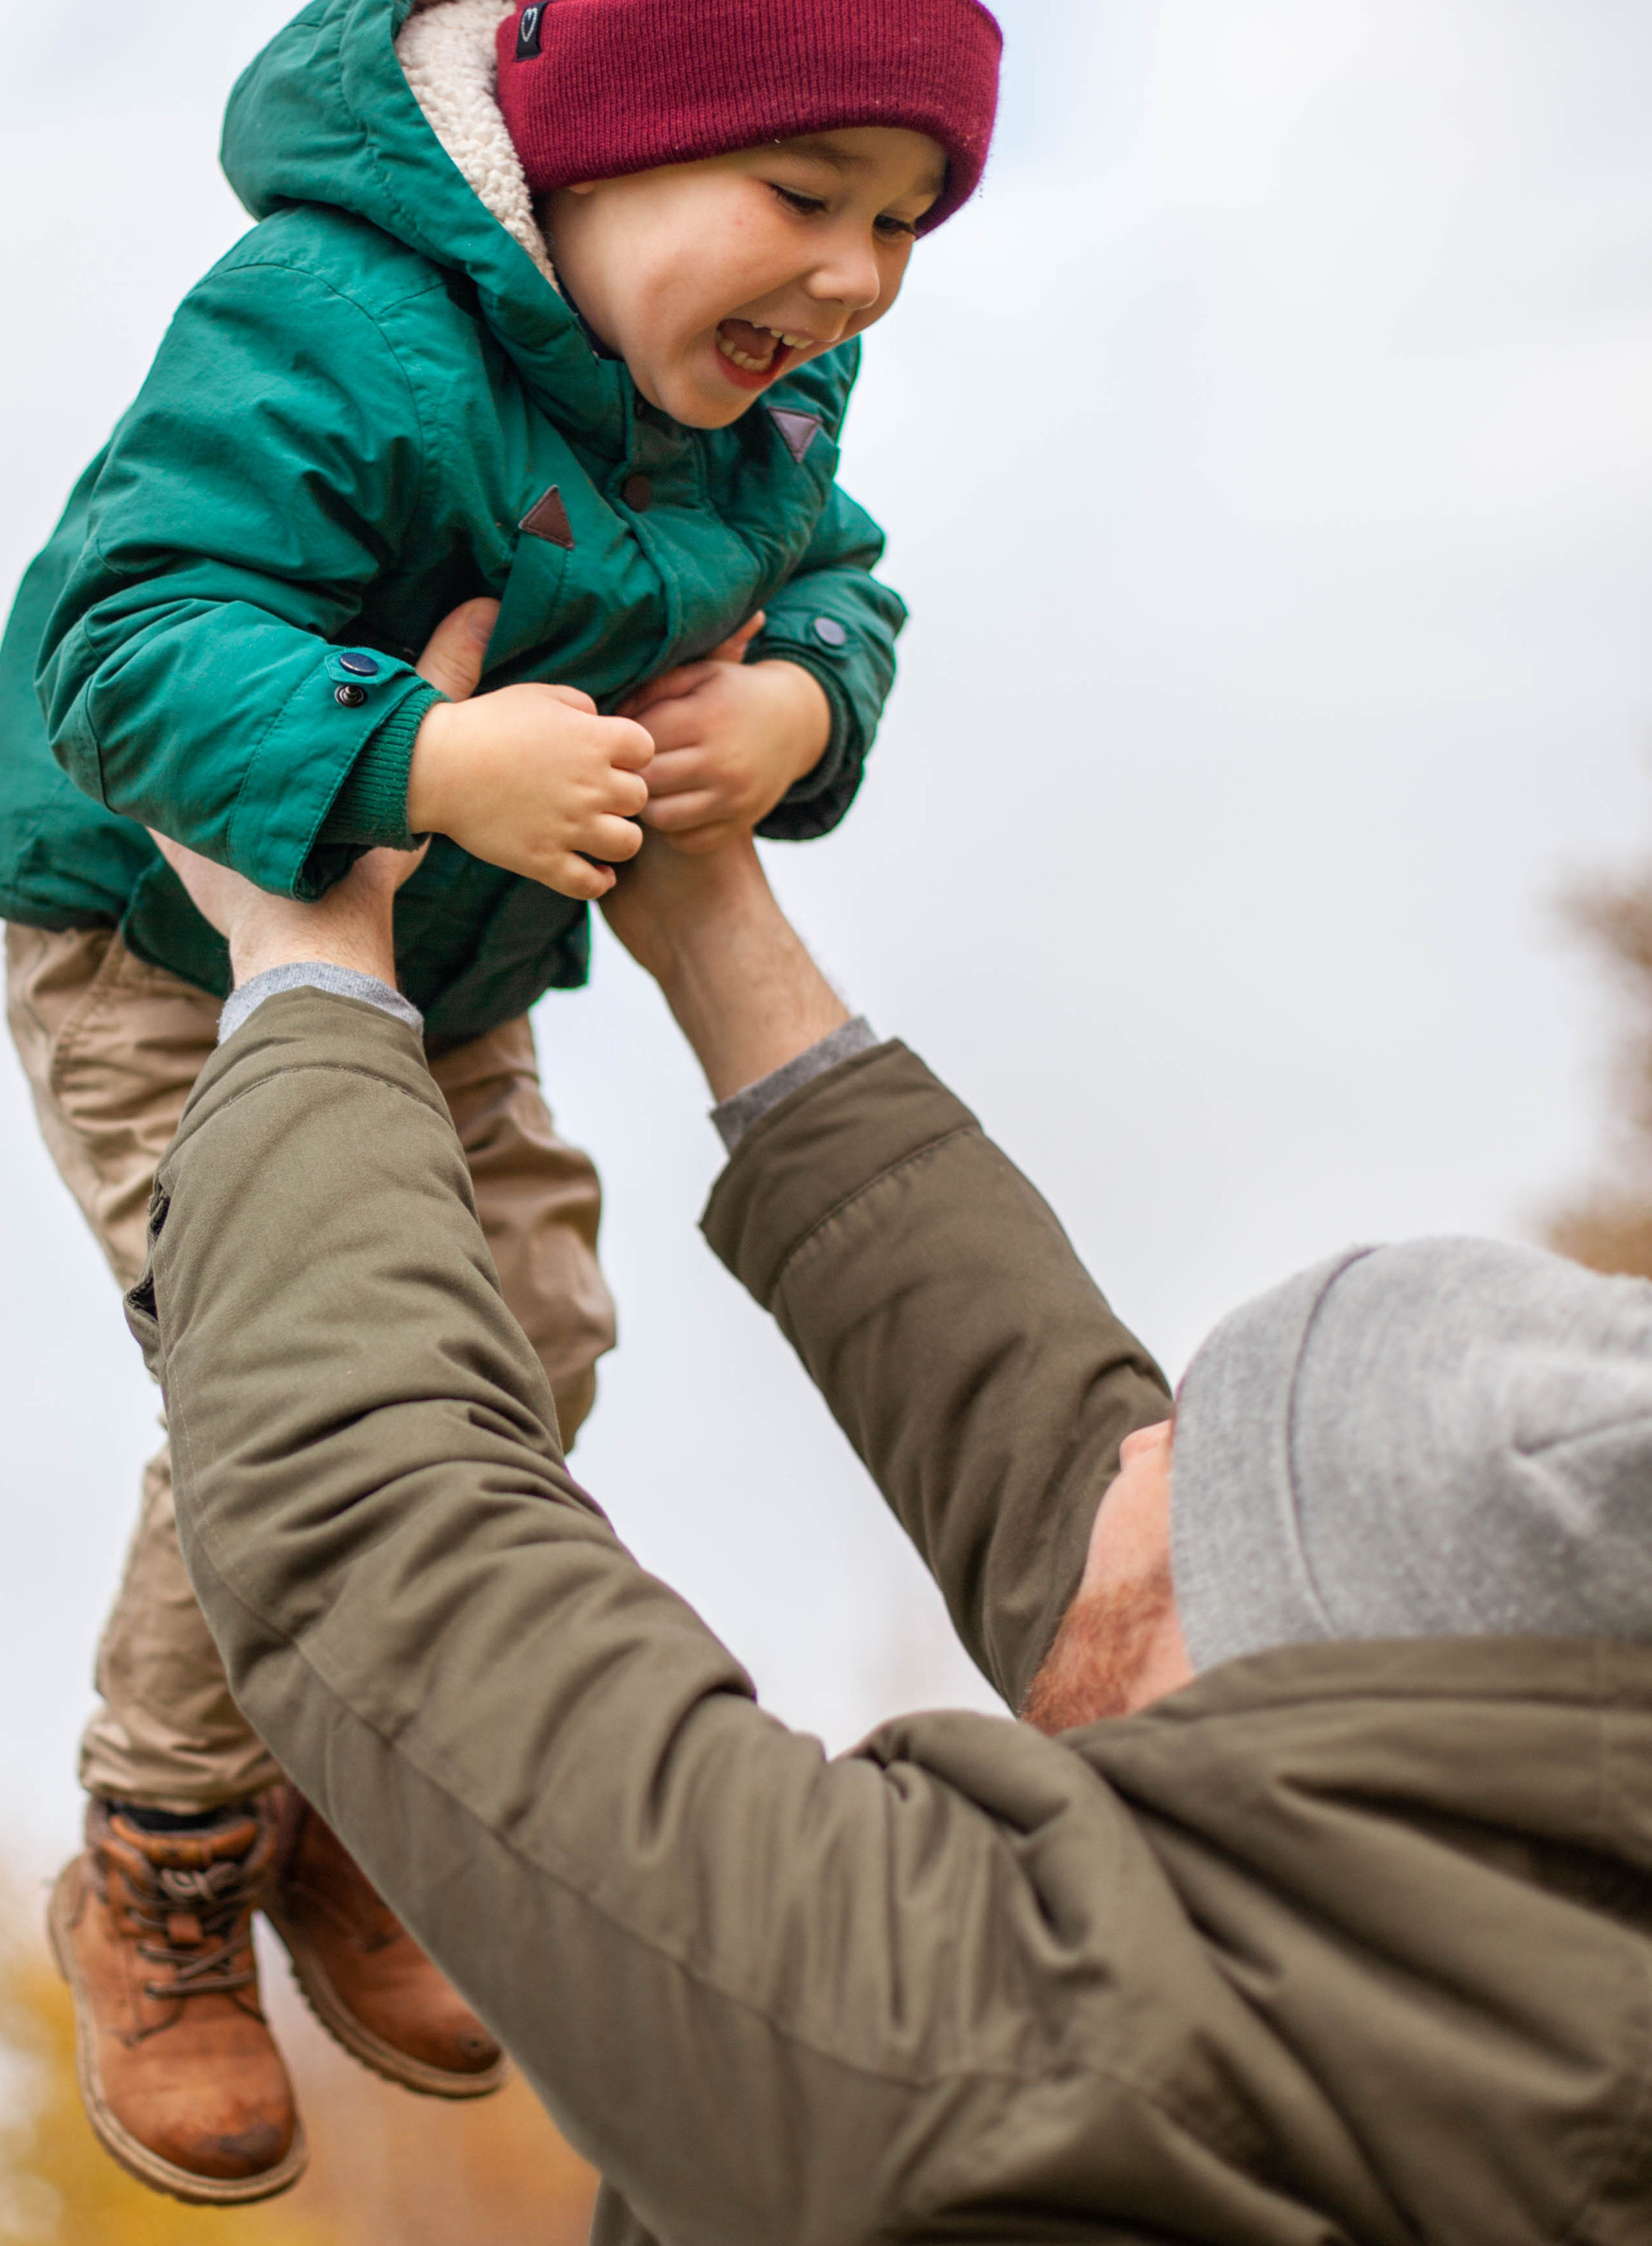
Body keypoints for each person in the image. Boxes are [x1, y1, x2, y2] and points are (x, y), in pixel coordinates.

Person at [0, 0, 1002, 2199]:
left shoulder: (746, 395)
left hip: (447, 966)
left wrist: (802, 715)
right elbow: (130, 639)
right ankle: (163, 1845)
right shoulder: (332, 316)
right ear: (609, 130)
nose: (854, 276)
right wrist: (416, 756)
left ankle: (330, 1788)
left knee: (522, 1340)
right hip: (164, 948)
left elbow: (837, 582)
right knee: (300, 1369)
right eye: (806, 187)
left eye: (902, 222)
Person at [135, 824, 1652, 2244]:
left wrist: (308, 964)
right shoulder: (1507, 1941)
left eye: (1188, 1460)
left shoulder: (1043, 2064)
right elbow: (1084, 1538)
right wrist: (714, 919)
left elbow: (373, 1520)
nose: (1125, 1449)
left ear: (1308, 1680)